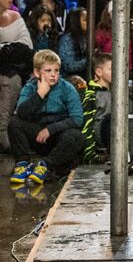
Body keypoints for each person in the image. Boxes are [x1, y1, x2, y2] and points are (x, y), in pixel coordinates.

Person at [8, 49, 84, 186]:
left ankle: (46, 166)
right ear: (37, 72)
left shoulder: (67, 88)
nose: (53, 75)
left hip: (58, 136)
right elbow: (21, 113)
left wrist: (50, 129)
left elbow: (77, 119)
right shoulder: (29, 87)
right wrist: (40, 94)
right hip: (37, 134)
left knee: (76, 136)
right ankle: (23, 164)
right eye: (48, 71)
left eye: (56, 70)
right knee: (14, 123)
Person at [0, 0, 32, 150]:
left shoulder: (15, 16)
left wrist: (5, 49)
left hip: (11, 70)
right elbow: (16, 47)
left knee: (12, 81)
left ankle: (4, 135)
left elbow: (27, 46)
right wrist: (10, 48)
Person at [79, 52, 112, 164]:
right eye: (111, 69)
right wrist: (90, 154)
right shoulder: (91, 95)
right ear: (99, 72)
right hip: (101, 137)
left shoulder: (114, 92)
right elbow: (87, 124)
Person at [57, 7, 89, 80]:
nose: (90, 22)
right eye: (86, 20)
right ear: (76, 21)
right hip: (69, 81)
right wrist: (90, 59)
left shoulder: (89, 37)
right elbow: (69, 66)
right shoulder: (67, 40)